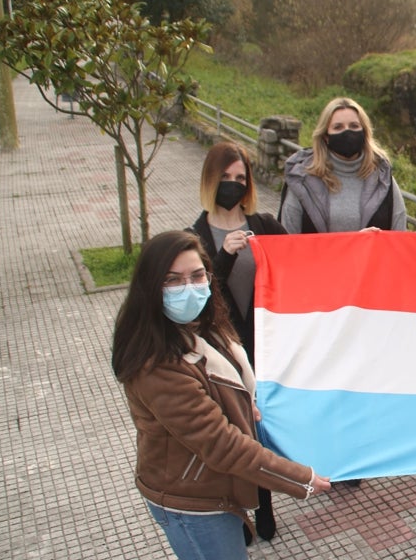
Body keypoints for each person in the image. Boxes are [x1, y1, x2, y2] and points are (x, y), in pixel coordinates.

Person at [111, 231, 331, 560]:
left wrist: (248, 406)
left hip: (215, 489)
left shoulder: (208, 325)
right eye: (173, 280)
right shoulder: (157, 365)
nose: (189, 288)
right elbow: (220, 443)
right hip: (193, 502)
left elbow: (230, 388)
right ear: (151, 288)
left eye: (197, 275)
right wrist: (301, 478)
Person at [188, 142, 286, 543]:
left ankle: (264, 504)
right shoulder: (193, 236)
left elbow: (306, 255)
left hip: (264, 348)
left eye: (239, 179)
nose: (232, 185)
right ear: (210, 180)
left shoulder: (262, 223)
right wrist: (223, 259)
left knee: (257, 427)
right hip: (222, 352)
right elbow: (199, 301)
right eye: (225, 178)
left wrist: (361, 241)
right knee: (232, 429)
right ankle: (237, 509)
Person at [280, 97, 407, 233]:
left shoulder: (382, 180)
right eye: (338, 127)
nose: (347, 132)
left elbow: (399, 237)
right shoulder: (302, 180)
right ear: (326, 136)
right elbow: (288, 242)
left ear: (364, 132)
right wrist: (353, 243)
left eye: (354, 126)